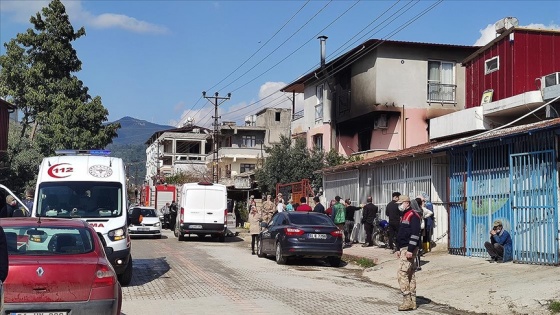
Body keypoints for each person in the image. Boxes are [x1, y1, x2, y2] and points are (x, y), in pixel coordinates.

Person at [395, 195, 422, 311]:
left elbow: (415, 234)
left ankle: (408, 300)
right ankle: (412, 301)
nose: (399, 206)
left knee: (402, 273)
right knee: (410, 273)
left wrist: (410, 250)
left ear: (407, 203)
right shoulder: (404, 215)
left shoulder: (413, 215)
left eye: (401, 203)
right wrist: (397, 248)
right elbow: (401, 232)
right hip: (403, 247)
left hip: (409, 248)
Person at [414, 197, 432, 271]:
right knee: (420, 240)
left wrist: (424, 216)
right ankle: (421, 249)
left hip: (417, 228)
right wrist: (425, 217)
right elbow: (430, 212)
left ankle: (420, 250)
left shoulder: (417, 210)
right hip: (421, 227)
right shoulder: (421, 209)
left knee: (417, 243)